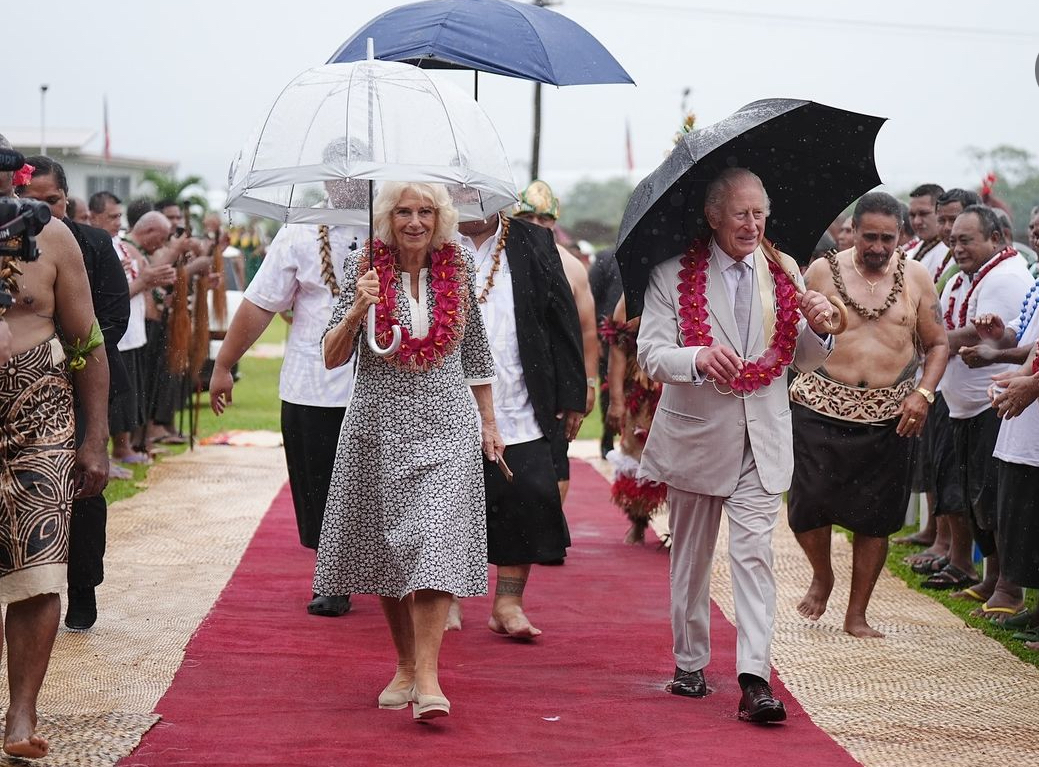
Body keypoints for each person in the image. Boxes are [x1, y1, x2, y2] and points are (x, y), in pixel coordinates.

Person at [636, 167, 835, 723]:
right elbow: (652, 355)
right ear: (713, 215)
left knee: (754, 557)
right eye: (742, 213)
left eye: (760, 214)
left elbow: (802, 358)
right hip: (697, 440)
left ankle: (754, 679)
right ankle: (691, 663)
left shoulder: (785, 270)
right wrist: (696, 358)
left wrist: (819, 328)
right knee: (693, 560)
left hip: (762, 440)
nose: (753, 225)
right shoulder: (671, 274)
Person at [313, 182, 501, 721]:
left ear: (440, 217)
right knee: (389, 549)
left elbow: (476, 350)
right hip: (378, 424)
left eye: (425, 211)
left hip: (446, 423)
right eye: (402, 211)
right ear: (386, 217)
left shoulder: (458, 268)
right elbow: (330, 355)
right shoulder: (361, 267)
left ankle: (429, 678)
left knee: (435, 542)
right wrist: (357, 308)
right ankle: (402, 664)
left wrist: (489, 421)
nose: (414, 221)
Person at [788, 192, 949, 638]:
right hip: (821, 406)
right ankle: (823, 575)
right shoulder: (822, 271)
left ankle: (857, 613)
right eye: (870, 237)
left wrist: (924, 393)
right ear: (853, 231)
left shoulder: (917, 277)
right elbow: (795, 332)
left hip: (890, 414)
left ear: (902, 235)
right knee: (807, 507)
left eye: (888, 238)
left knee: (875, 517)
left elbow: (938, 345)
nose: (878, 247)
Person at [0, 133, 109, 758]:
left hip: (39, 419)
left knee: (38, 570)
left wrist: (94, 441)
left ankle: (21, 716)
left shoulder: (55, 238)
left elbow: (87, 342)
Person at [211, 180, 365, 617]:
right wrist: (224, 364)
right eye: (342, 176)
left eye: (360, 177)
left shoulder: (394, 221)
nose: (351, 185)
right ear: (329, 181)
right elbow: (261, 302)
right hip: (312, 384)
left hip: (382, 385)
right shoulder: (301, 229)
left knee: (382, 486)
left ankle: (398, 579)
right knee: (318, 485)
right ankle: (333, 578)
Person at [455, 209, 585, 637]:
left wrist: (572, 395)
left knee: (527, 495)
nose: (467, 202)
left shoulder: (533, 241)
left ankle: (507, 603)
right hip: (446, 395)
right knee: (449, 501)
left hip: (520, 396)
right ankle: (445, 597)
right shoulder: (427, 235)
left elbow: (561, 319)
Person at [18, 156, 133, 630]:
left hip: (83, 377)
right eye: (31, 202)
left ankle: (83, 586)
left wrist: (67, 356)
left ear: (68, 200)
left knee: (84, 485)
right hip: (22, 386)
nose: (44, 211)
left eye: (53, 201)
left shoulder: (92, 243)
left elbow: (113, 316)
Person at [926, 205, 1032, 614]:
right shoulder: (967, 277)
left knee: (995, 498)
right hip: (968, 405)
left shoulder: (1006, 275)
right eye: (952, 240)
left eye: (966, 240)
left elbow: (991, 335)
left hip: (997, 404)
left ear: (996, 239)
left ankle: (1008, 587)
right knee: (977, 498)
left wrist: (933, 344)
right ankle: (991, 578)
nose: (957, 248)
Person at [903, 188, 982, 578]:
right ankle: (939, 540)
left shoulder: (962, 263)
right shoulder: (930, 254)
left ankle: (956, 553)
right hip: (938, 377)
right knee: (937, 463)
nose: (947, 228)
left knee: (957, 472)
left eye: (954, 221)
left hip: (964, 386)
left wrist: (934, 343)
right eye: (942, 219)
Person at [513, 180, 597, 504]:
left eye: (543, 220)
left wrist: (588, 384)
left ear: (554, 222)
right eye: (528, 219)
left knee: (556, 456)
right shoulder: (501, 262)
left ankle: (553, 524)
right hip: (513, 371)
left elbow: (588, 331)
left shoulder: (573, 267)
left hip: (558, 374)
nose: (536, 226)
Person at [894, 183, 948, 550]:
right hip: (911, 368)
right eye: (912, 215)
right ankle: (932, 533)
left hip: (935, 371)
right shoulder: (913, 251)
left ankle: (942, 540)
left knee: (944, 463)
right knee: (928, 460)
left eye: (925, 214)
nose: (918, 221)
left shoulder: (945, 253)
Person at [602, 294, 666, 544]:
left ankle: (683, 528)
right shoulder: (632, 296)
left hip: (687, 385)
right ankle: (639, 521)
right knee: (637, 453)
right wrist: (616, 402)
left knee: (685, 456)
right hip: (643, 392)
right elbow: (617, 352)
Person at [589, 247, 624, 458]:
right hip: (607, 338)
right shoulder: (606, 259)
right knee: (609, 389)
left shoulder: (654, 258)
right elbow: (590, 300)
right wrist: (596, 339)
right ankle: (608, 437)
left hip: (642, 339)